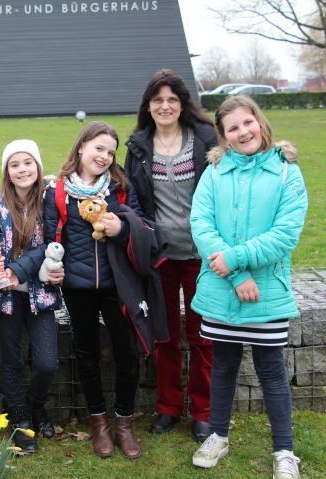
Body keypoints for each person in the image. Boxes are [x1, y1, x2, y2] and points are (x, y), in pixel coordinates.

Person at [190, 96, 307, 479]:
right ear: (223, 137)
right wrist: (237, 275)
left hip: (267, 292)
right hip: (223, 290)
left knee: (271, 372)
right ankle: (218, 436)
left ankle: (285, 451)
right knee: (222, 366)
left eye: (247, 123)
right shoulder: (215, 172)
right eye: (233, 129)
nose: (243, 132)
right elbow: (202, 225)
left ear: (259, 121)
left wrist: (237, 260)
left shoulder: (286, 172)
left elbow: (285, 234)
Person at [124, 68, 218, 442]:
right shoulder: (137, 146)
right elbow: (131, 198)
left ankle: (204, 410)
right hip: (159, 257)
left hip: (201, 254)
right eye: (158, 100)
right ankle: (167, 407)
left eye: (172, 100)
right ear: (148, 106)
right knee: (164, 336)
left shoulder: (206, 140)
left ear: (183, 104)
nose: (165, 106)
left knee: (203, 336)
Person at [43, 122, 146, 459]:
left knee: (127, 352)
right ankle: (99, 422)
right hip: (78, 287)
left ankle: (124, 423)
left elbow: (143, 227)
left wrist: (122, 227)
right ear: (82, 146)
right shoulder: (57, 191)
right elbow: (48, 238)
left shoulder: (120, 189)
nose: (104, 156)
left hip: (119, 285)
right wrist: (53, 267)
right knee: (86, 354)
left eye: (110, 152)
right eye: (98, 148)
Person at [0, 139, 64, 454]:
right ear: (7, 172)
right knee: (10, 361)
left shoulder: (51, 201)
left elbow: (59, 246)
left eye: (28, 162)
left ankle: (34, 406)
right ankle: (21, 419)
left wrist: (60, 271)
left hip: (42, 297)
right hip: (6, 300)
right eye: (15, 164)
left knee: (47, 363)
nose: (22, 169)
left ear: (37, 166)